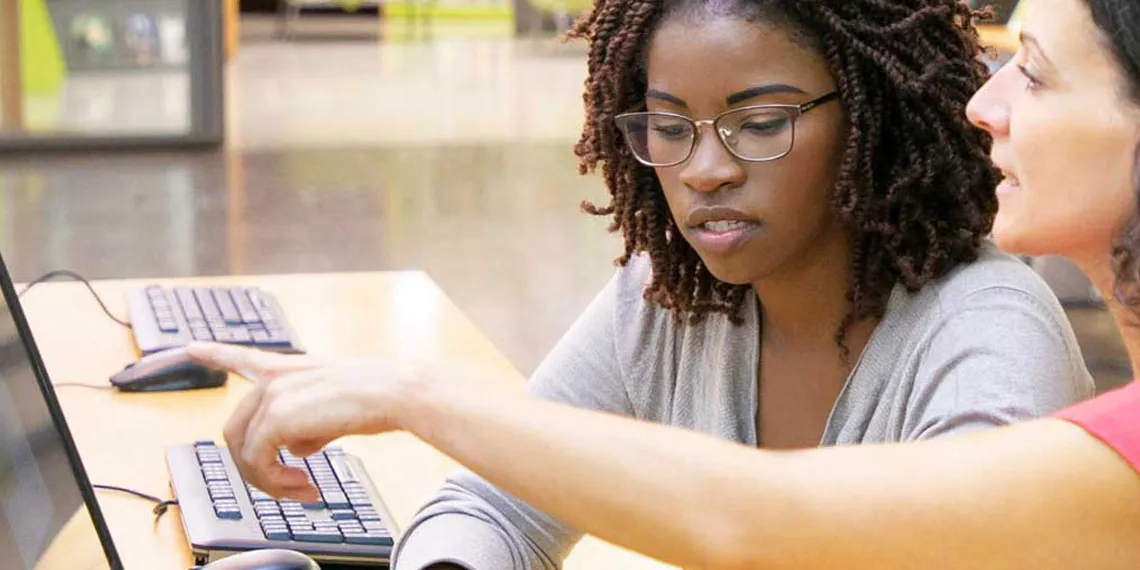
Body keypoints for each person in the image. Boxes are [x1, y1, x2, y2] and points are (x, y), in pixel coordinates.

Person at [183, 0, 1134, 568]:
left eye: (759, 123)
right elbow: (495, 505)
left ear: (874, 117)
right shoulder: (677, 295)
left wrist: (420, 397)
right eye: (666, 125)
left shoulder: (990, 336)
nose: (705, 169)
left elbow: (764, 527)